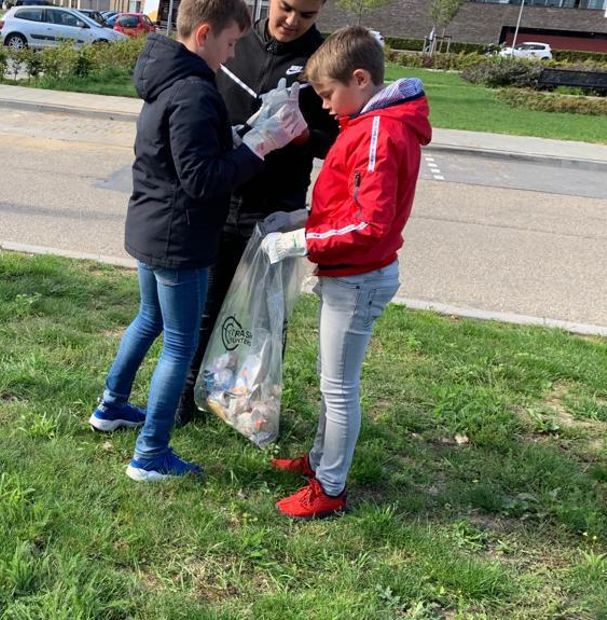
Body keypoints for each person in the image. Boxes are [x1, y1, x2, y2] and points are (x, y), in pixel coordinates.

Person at [87, 0, 308, 482]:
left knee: (149, 320)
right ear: (205, 33)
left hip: (153, 222)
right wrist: (258, 147)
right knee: (181, 345)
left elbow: (182, 149)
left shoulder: (170, 78)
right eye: (230, 43)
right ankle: (150, 453)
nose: (231, 56)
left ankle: (112, 405)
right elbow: (203, 179)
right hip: (178, 234)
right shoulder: (194, 91)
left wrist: (240, 132)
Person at [263, 26, 431, 519]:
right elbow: (346, 205)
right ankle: (320, 462)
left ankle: (330, 487)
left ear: (360, 79)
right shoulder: (369, 123)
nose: (327, 106)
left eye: (328, 94)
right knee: (330, 380)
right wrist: (300, 220)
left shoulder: (379, 129)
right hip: (350, 272)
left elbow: (369, 223)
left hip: (358, 276)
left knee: (338, 387)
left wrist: (298, 240)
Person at [177, 0, 338, 426]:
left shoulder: (322, 59)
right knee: (206, 303)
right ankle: (187, 395)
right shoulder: (237, 41)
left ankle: (252, 405)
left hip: (276, 207)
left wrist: (304, 138)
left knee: (267, 314)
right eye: (286, 8)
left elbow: (337, 139)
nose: (292, 21)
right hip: (222, 193)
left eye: (307, 15)